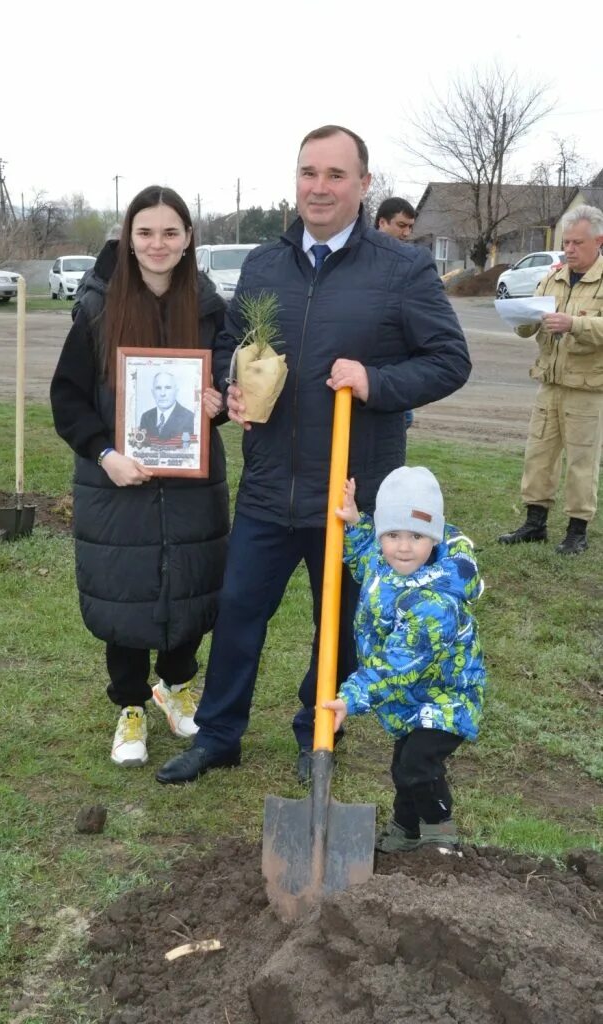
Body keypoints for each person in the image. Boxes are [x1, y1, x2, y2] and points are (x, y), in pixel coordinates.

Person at [156, 124, 471, 786]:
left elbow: (450, 360)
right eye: (308, 173)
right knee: (239, 611)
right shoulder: (267, 266)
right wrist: (231, 387)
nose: (318, 187)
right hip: (270, 485)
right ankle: (219, 735)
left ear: (363, 184)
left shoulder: (402, 268)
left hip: (351, 498)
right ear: (294, 181)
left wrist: (376, 382)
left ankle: (316, 730)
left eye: (334, 175)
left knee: (342, 628)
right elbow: (233, 346)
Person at [50, 186, 229, 767]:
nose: (158, 244)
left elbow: (232, 388)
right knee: (124, 586)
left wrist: (217, 403)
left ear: (188, 240)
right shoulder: (99, 306)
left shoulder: (208, 307)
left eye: (170, 233)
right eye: (145, 232)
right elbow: (68, 398)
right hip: (116, 480)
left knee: (190, 576)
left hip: (189, 480)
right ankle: (130, 703)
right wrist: (105, 454)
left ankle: (176, 684)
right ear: (128, 238)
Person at [323, 466, 486, 854]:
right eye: (392, 534)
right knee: (404, 766)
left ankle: (439, 833)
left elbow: (396, 665)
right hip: (415, 698)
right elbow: (366, 557)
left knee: (417, 766)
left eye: (416, 536)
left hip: (447, 700)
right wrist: (357, 525)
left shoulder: (435, 603)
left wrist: (350, 697)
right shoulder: (387, 563)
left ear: (435, 538)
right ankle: (406, 829)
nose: (403, 547)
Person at [498, 204, 603, 555]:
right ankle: (535, 522)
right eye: (566, 242)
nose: (569, 249)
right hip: (550, 383)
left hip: (587, 389)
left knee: (581, 461)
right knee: (539, 454)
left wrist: (574, 324)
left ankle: (577, 530)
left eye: (576, 242)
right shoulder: (552, 277)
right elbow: (529, 323)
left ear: (598, 241)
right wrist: (520, 317)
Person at [375, 197, 418, 429]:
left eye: (410, 227)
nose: (407, 233)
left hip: (397, 362)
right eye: (401, 225)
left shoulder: (409, 263)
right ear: (382, 222)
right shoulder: (362, 259)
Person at [139, 370, 195, 441]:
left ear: (176, 391)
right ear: (153, 393)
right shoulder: (146, 417)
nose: (163, 394)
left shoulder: (190, 418)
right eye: (158, 388)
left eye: (168, 388)